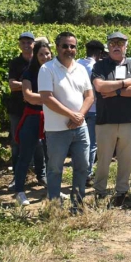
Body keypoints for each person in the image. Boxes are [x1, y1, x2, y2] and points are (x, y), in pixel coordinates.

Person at [38, 32, 94, 209]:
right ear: (57, 47)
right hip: (57, 130)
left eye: (72, 46)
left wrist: (79, 116)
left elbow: (89, 96)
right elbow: (47, 98)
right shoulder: (47, 69)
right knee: (55, 168)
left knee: (83, 166)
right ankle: (55, 206)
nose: (69, 49)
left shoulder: (81, 69)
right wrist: (72, 115)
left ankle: (77, 204)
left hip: (80, 127)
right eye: (65, 46)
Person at [91, 32, 131, 208]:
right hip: (105, 120)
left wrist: (115, 92)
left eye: (120, 43)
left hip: (129, 119)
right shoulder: (100, 66)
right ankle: (100, 191)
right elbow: (99, 86)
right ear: (108, 46)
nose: (117, 46)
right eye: (113, 43)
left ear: (126, 46)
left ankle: (122, 191)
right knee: (104, 159)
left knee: (126, 158)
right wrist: (124, 83)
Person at [12, 40, 52, 206]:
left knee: (52, 156)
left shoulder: (54, 71)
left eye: (47, 53)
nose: (44, 57)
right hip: (33, 117)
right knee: (25, 155)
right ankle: (19, 191)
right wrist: (50, 99)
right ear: (36, 56)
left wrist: (43, 99)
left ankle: (53, 190)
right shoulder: (29, 73)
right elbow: (28, 95)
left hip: (51, 117)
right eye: (41, 54)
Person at [8, 31, 45, 191]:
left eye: (29, 42)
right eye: (23, 42)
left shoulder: (41, 63)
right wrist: (26, 88)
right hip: (18, 109)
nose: (26, 45)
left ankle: (41, 174)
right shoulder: (15, 63)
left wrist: (23, 86)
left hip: (38, 110)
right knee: (17, 144)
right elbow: (11, 85)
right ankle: (17, 178)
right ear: (19, 44)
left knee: (40, 145)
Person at [78, 39, 105, 185]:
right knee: (91, 144)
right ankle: (87, 174)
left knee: (79, 142)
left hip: (78, 108)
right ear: (99, 53)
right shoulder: (97, 67)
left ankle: (80, 171)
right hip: (94, 108)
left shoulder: (77, 63)